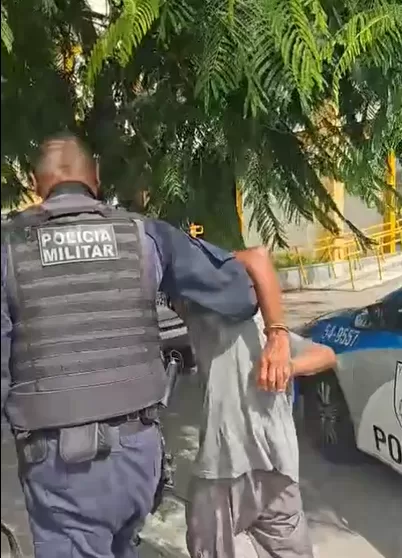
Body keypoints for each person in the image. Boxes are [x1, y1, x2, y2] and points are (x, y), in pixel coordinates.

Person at [1, 133, 292, 558]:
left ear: (34, 183)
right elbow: (237, 293)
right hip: (138, 458)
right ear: (96, 177)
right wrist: (277, 331)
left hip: (60, 469)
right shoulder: (145, 234)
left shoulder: (10, 247)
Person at [173, 301, 336, 558]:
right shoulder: (216, 324)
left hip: (243, 467)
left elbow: (326, 355)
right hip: (255, 463)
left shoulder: (264, 334)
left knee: (213, 545)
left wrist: (286, 366)